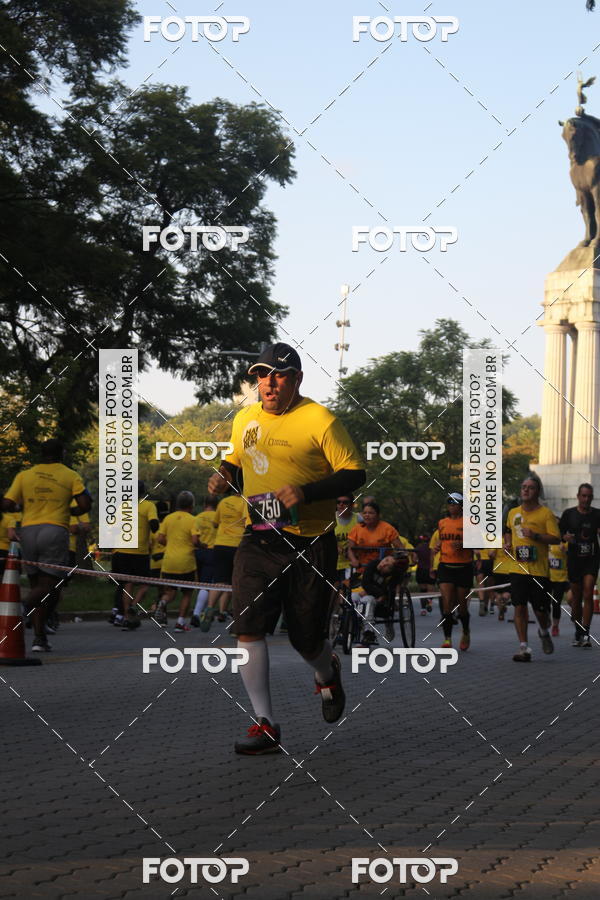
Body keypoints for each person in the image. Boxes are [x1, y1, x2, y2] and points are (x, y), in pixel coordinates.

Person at [207, 342, 365, 755]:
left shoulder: (319, 420)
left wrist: (307, 493)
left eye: (278, 375)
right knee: (247, 626)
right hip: (259, 536)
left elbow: (354, 473)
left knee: (305, 638)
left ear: (296, 378)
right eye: (261, 375)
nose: (268, 384)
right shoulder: (245, 418)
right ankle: (265, 723)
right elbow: (236, 457)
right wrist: (224, 475)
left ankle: (326, 672)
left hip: (310, 543)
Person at [1, 439, 91, 652]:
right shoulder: (70, 475)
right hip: (54, 531)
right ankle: (23, 606)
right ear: (63, 453)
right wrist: (72, 512)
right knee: (48, 586)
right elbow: (85, 504)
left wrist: (21, 505)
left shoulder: (24, 475)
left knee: (37, 586)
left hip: (28, 532)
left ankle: (39, 638)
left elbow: (6, 504)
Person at [504, 475, 561, 662]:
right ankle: (524, 648)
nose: (526, 490)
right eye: (523, 486)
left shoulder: (545, 514)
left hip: (539, 570)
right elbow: (508, 532)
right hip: (518, 568)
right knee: (519, 607)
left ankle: (544, 631)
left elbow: (556, 538)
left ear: (537, 492)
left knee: (540, 611)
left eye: (530, 487)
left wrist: (536, 536)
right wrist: (507, 544)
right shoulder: (513, 513)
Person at [111, 483, 159, 630]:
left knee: (128, 584)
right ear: (143, 492)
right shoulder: (148, 506)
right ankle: (133, 605)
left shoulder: (122, 507)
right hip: (139, 552)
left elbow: (113, 529)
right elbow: (154, 525)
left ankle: (126, 618)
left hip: (121, 550)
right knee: (145, 584)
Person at [430, 493, 474, 651]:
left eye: (456, 503)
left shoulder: (469, 522)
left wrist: (463, 544)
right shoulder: (442, 522)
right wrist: (437, 547)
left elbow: (480, 544)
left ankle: (466, 631)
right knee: (447, 604)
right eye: (450, 503)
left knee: (462, 606)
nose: (452, 506)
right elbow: (442, 540)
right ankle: (447, 639)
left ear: (462, 505)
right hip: (446, 566)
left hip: (464, 567)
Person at [558, 483, 600, 647]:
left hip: (591, 558)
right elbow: (559, 533)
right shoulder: (569, 514)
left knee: (588, 592)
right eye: (583, 496)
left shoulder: (597, 514)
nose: (586, 499)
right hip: (575, 559)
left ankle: (586, 633)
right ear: (578, 496)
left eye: (589, 496)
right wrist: (565, 537)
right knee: (576, 598)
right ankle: (578, 630)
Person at [198, 490, 246, 631]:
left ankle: (210, 608)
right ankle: (235, 619)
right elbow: (246, 522)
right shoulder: (245, 502)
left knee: (219, 580)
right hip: (237, 545)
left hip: (220, 545)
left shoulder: (223, 502)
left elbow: (215, 523)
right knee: (238, 581)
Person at [155, 491, 198, 632]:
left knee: (170, 592)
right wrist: (201, 545)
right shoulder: (193, 520)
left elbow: (160, 539)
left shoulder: (168, 518)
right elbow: (195, 541)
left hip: (169, 562)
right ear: (192, 505)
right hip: (186, 563)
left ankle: (162, 602)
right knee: (187, 593)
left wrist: (171, 543)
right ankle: (180, 623)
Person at [354, 553, 408, 644]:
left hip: (377, 598)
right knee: (353, 597)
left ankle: (369, 632)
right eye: (385, 560)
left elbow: (389, 592)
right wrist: (376, 592)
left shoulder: (394, 576)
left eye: (388, 566)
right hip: (366, 591)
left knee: (368, 600)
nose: (383, 564)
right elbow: (366, 583)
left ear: (391, 571)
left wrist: (381, 595)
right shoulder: (373, 564)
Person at [347, 502, 405, 570]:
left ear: (378, 515)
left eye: (371, 513)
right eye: (364, 513)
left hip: (382, 569)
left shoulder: (388, 528)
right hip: (362, 568)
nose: (367, 515)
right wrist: (354, 560)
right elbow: (350, 549)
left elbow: (401, 549)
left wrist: (392, 561)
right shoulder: (356, 529)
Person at [190, 496, 217, 627]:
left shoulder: (198, 517)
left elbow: (194, 540)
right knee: (207, 584)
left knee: (201, 583)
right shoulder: (219, 517)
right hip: (213, 552)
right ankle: (197, 613)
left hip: (199, 552)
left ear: (205, 503)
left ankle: (200, 612)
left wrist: (201, 545)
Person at [548, 530, 569, 638]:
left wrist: (565, 550)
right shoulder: (546, 541)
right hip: (546, 577)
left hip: (560, 578)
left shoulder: (565, 542)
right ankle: (546, 619)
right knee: (543, 601)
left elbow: (570, 556)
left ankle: (555, 626)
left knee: (556, 603)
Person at [334, 495, 359, 581]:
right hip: (335, 564)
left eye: (345, 502)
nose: (341, 504)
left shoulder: (359, 519)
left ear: (352, 504)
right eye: (338, 502)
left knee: (350, 592)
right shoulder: (330, 519)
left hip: (354, 564)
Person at [414, 533, 435, 615]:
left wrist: (416, 561)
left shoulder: (418, 548)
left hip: (421, 570)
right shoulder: (433, 548)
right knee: (431, 591)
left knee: (423, 591)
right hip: (431, 570)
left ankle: (423, 610)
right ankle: (429, 602)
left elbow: (414, 559)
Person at [475, 547, 496, 616]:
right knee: (490, 586)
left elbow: (476, 552)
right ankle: (489, 606)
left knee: (480, 584)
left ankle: (482, 603)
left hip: (478, 560)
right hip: (489, 561)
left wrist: (478, 559)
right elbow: (491, 553)